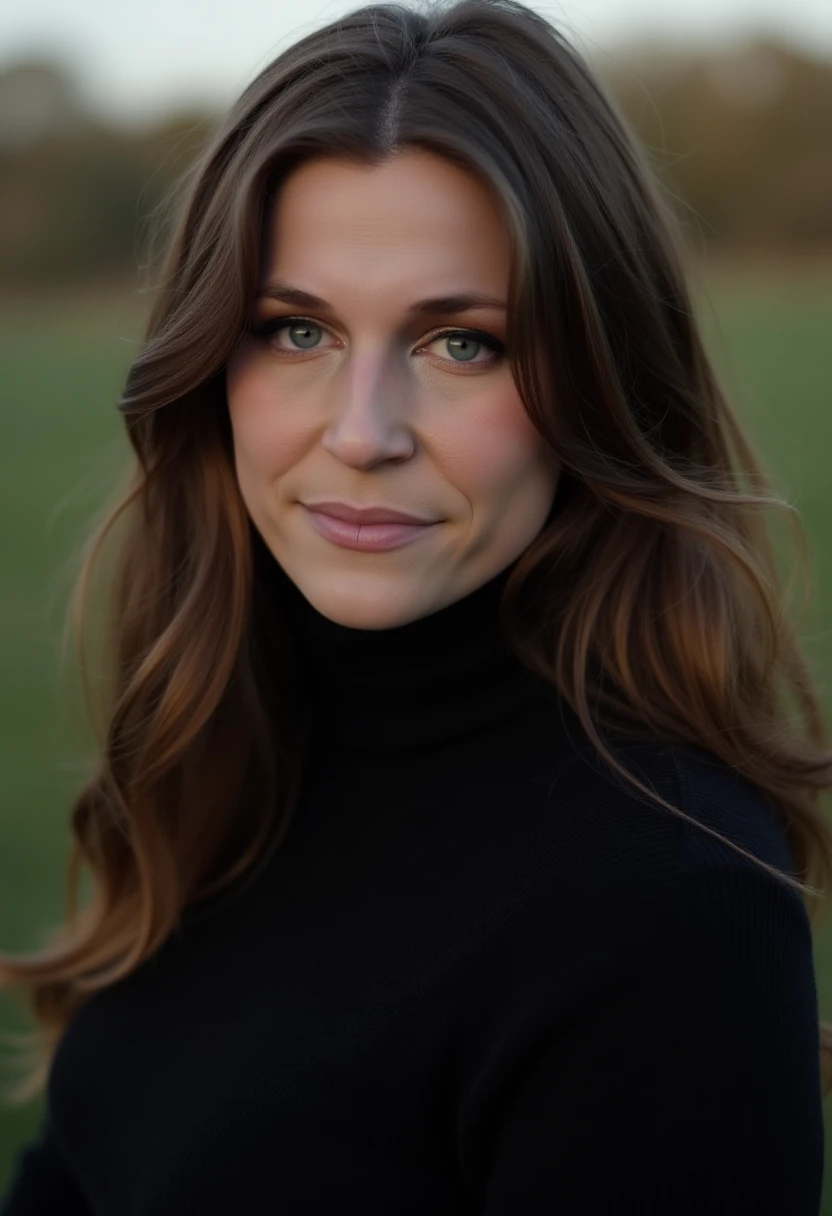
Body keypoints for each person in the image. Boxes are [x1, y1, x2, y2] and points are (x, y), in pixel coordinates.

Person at [1, 0, 830, 1211]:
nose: (360, 432)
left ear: (601, 379)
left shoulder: (666, 909)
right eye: (296, 330)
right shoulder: (229, 747)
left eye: (463, 345)